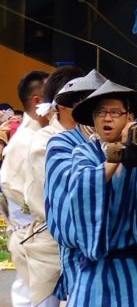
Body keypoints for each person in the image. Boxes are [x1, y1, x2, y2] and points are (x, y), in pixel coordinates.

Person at [66, 79, 137, 306]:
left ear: (130, 117)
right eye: (100, 113)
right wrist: (119, 153)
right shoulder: (84, 152)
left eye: (115, 112)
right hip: (97, 270)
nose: (107, 118)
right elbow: (82, 189)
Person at [10, 67, 83, 307]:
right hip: (50, 240)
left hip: (84, 240)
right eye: (81, 99)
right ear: (63, 104)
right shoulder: (44, 140)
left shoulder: (89, 136)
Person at [43, 70, 106, 303]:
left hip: (126, 264)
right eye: (93, 105)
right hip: (82, 262)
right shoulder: (61, 144)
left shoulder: (125, 140)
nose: (104, 115)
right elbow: (65, 213)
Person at [0, 70, 50, 307]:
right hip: (34, 236)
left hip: (36, 235)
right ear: (38, 101)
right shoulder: (26, 142)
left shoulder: (38, 136)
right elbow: (29, 201)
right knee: (33, 298)